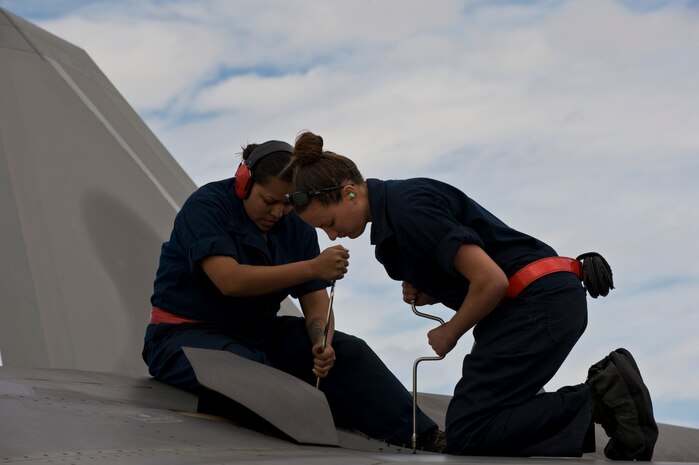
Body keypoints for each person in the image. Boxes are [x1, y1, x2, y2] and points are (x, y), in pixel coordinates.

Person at [287, 131, 658, 459]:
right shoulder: (397, 214)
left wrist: (451, 330)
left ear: (349, 191)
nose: (332, 237)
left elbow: (492, 281)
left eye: (329, 224)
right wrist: (433, 287)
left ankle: (601, 395)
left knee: (470, 431)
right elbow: (477, 267)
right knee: (478, 428)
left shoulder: (409, 208)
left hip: (536, 304)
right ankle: (604, 406)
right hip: (534, 304)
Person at [141, 140, 442, 450]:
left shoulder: (294, 224)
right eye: (269, 200)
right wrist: (313, 267)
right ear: (244, 183)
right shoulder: (206, 207)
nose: (278, 212)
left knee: (350, 351)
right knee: (252, 373)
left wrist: (320, 340)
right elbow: (229, 280)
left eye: (286, 204)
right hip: (185, 336)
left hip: (258, 334)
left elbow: (315, 300)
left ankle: (425, 437)